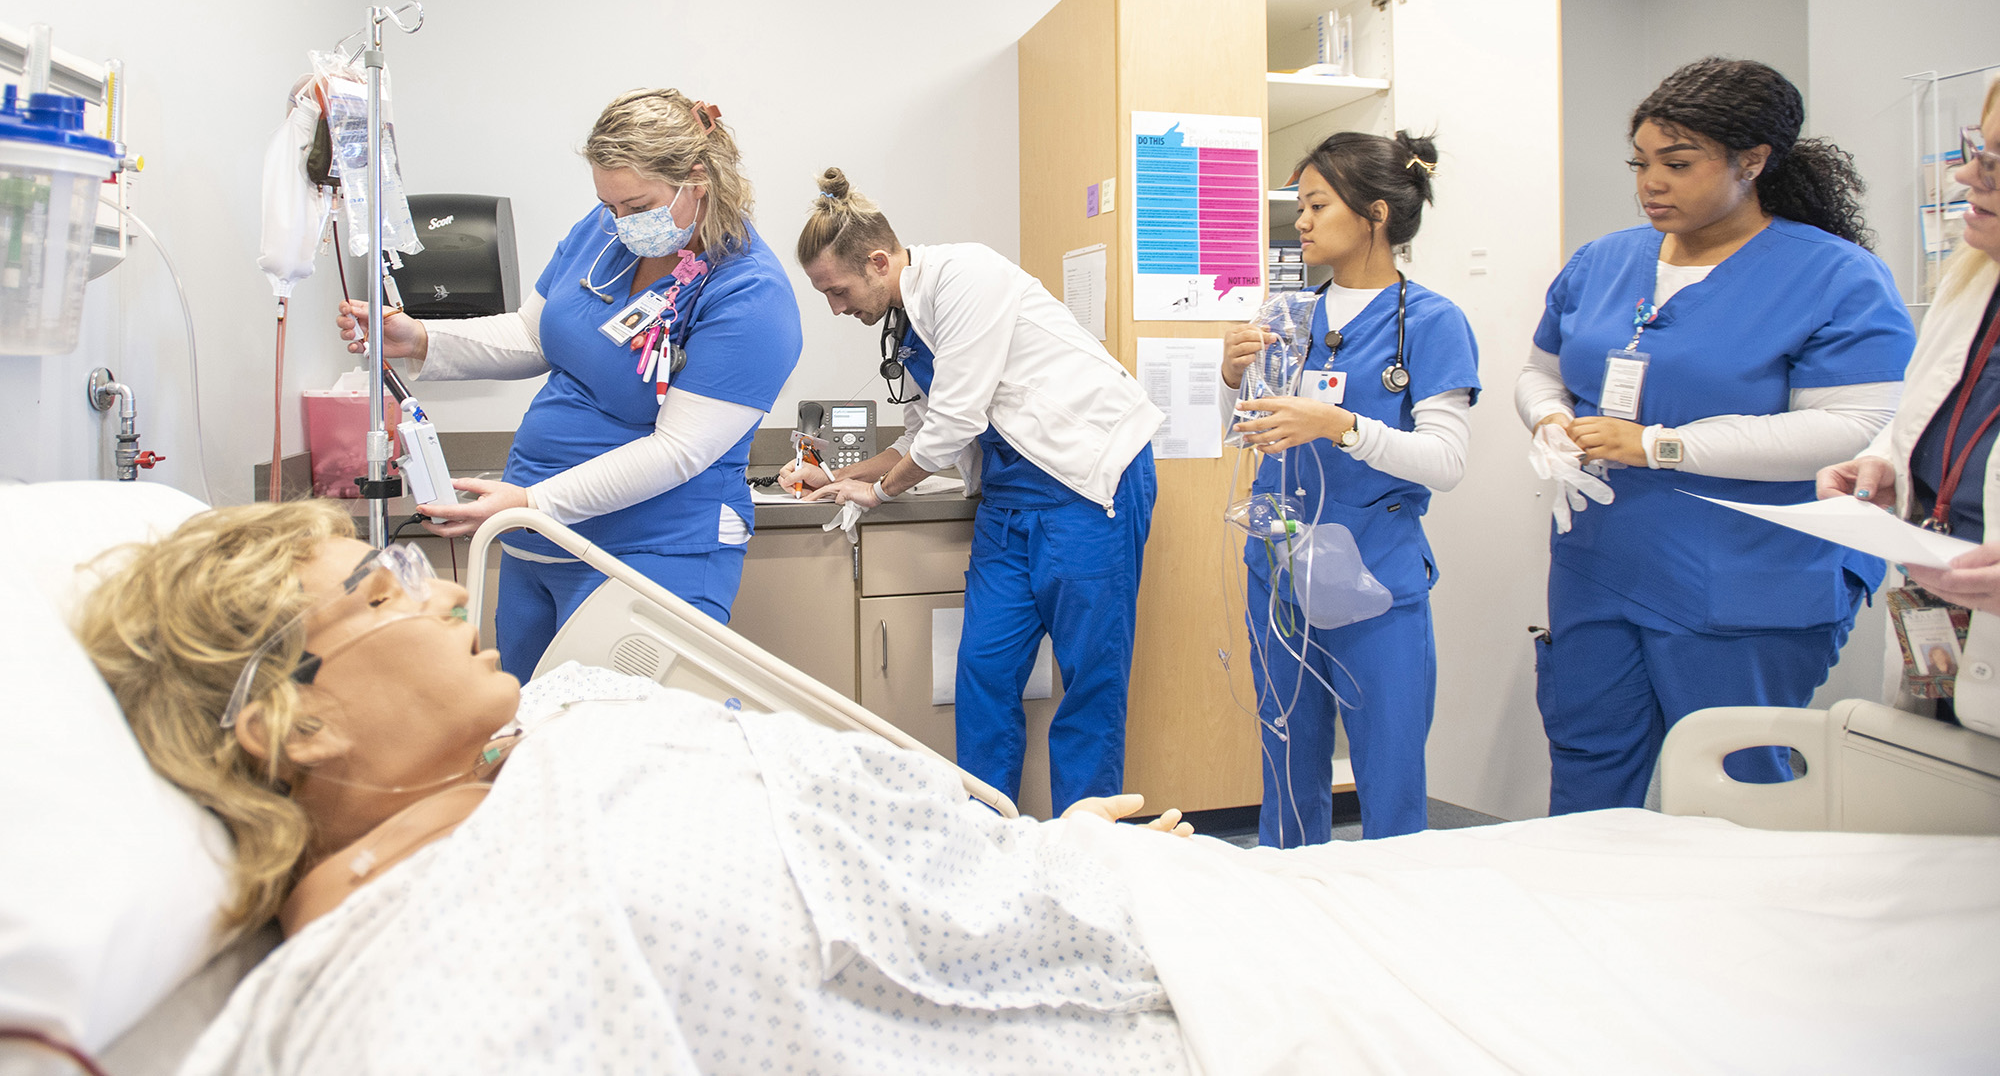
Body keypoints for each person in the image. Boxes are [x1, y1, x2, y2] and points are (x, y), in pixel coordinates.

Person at [74, 503, 1997, 1076]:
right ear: (292, 724)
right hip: (1146, 987)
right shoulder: (428, 979)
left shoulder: (548, 746)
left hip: (1130, 904)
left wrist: (1047, 842)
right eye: (375, 587)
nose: (424, 586)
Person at [1518, 58, 1916, 814]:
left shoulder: (1836, 276)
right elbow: (1540, 372)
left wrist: (1661, 445)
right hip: (1600, 563)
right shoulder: (1604, 261)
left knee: (1740, 790)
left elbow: (1853, 429)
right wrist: (1548, 420)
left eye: (1677, 163)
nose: (1651, 184)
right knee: (1588, 767)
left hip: (1749, 577)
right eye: (1641, 163)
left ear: (1753, 161)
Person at [336, 90, 802, 677]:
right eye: (608, 205)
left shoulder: (751, 296)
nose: (620, 222)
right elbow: (536, 335)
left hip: (650, 556)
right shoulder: (605, 230)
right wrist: (423, 339)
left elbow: (679, 450)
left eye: (637, 205)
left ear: (698, 179)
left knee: (616, 750)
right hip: (534, 545)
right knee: (528, 741)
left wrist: (535, 502)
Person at [785, 168, 1160, 816]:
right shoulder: (905, 322)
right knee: (983, 673)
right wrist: (846, 478)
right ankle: (986, 843)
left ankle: (1091, 855)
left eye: (838, 291)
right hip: (1010, 502)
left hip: (1089, 485)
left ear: (877, 261)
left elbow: (957, 420)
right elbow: (921, 432)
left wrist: (880, 495)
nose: (837, 308)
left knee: (1089, 685)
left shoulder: (967, 277)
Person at [1220, 131, 1479, 846]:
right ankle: (1294, 911)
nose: (1300, 220)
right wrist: (1232, 377)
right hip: (1279, 566)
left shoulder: (1431, 322)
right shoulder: (1288, 315)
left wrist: (1339, 425)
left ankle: (1397, 928)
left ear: (1375, 213)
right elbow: (1250, 434)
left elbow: (1446, 460)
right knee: (1286, 765)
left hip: (1375, 574)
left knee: (1389, 777)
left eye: (1316, 204)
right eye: (1299, 205)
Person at [1818, 77, 2000, 737]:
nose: (1965, 177)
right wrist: (1888, 459)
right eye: (1978, 149)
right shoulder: (1975, 278)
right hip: (1951, 647)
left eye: (1995, 161)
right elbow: (1947, 405)